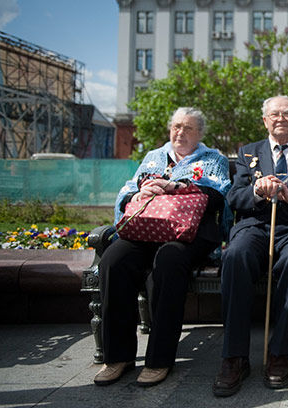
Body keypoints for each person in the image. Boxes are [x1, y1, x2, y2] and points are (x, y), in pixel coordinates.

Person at [94, 107, 231, 387]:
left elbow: (220, 195)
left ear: (200, 133)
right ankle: (118, 357)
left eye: (188, 128)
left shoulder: (212, 158)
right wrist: (139, 192)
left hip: (188, 233)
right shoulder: (153, 156)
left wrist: (179, 187)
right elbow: (127, 192)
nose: (180, 132)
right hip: (146, 228)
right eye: (176, 126)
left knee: (168, 261)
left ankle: (159, 359)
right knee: (114, 261)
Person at [213, 95, 288, 396]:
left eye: (287, 114)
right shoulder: (247, 153)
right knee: (235, 255)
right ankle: (234, 356)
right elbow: (234, 197)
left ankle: (279, 352)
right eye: (274, 114)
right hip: (256, 225)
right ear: (264, 120)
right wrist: (255, 190)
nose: (280, 118)